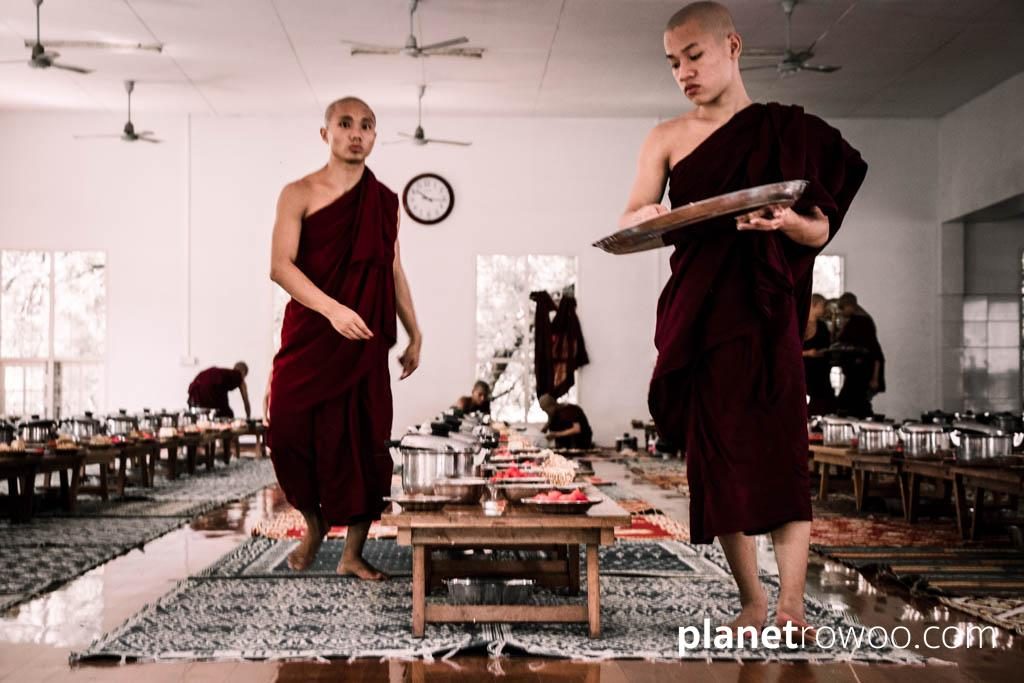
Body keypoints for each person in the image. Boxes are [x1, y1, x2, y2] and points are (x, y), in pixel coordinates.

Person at [619, 2, 867, 634]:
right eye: (673, 62)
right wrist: (647, 218)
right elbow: (632, 216)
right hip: (702, 317)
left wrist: (788, 221)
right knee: (718, 460)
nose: (684, 72)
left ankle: (791, 605)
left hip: (766, 314)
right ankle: (752, 600)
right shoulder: (667, 137)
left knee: (783, 457)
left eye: (694, 56)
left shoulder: (791, 130)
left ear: (732, 45)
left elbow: (820, 230)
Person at [267, 96, 422, 579]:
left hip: (365, 342)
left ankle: (352, 554)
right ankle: (313, 524)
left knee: (364, 441)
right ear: (326, 133)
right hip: (313, 332)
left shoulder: (384, 201)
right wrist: (332, 310)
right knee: (289, 432)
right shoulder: (298, 192)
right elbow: (279, 267)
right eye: (346, 123)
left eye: (368, 125)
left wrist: (415, 330)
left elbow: (392, 267)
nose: (357, 133)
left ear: (375, 137)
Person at [835, 292, 884, 418]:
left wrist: (875, 377)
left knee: (854, 404)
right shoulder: (857, 320)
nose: (841, 312)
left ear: (850, 306)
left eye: (843, 308)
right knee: (852, 404)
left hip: (862, 372)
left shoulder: (862, 322)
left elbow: (874, 352)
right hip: (856, 372)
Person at [802, 294, 836, 416]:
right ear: (813, 305)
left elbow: (828, 345)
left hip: (821, 373)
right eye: (822, 306)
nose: (824, 309)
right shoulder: (801, 324)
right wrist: (808, 353)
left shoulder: (822, 326)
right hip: (805, 372)